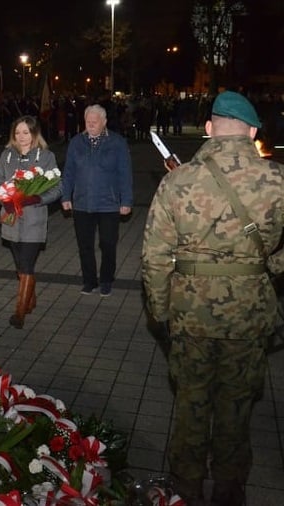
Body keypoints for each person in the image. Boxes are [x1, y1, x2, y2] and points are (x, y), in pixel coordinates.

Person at [141, 91, 284, 506]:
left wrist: (160, 312)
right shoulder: (277, 179)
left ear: (208, 128)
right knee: (236, 408)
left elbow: (154, 257)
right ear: (252, 132)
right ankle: (229, 488)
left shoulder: (178, 180)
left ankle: (185, 488)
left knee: (191, 403)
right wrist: (268, 267)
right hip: (249, 316)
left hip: (190, 316)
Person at [0, 115, 62, 328]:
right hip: (11, 220)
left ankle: (19, 313)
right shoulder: (7, 155)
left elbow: (57, 187)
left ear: (34, 133)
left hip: (33, 220)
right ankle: (30, 300)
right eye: (17, 132)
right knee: (20, 266)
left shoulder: (46, 157)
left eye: (26, 132)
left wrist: (37, 198)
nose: (21, 137)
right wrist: (4, 199)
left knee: (27, 264)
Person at [61, 103, 133, 297]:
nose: (91, 124)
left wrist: (126, 201)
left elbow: (125, 174)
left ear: (104, 122)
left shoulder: (117, 143)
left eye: (95, 121)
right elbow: (69, 172)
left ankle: (106, 280)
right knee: (85, 245)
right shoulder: (77, 142)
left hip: (108, 203)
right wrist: (66, 195)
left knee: (108, 243)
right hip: (82, 203)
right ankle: (89, 281)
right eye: (88, 121)